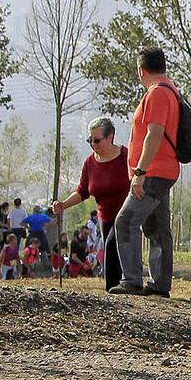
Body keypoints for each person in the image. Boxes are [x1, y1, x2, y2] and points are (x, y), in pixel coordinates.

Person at [111, 47, 183, 298]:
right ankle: (159, 284)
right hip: (164, 169)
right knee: (157, 227)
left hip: (154, 172)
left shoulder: (157, 94)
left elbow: (154, 133)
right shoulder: (171, 90)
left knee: (126, 221)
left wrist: (139, 172)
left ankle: (131, 280)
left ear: (141, 70)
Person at [52, 117, 131, 291]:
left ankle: (123, 287)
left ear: (110, 137)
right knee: (111, 251)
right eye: (90, 140)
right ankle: (115, 290)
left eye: (97, 140)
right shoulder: (90, 162)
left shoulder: (126, 157)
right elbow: (82, 191)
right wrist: (63, 205)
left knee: (112, 247)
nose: (93, 144)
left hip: (127, 214)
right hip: (105, 216)